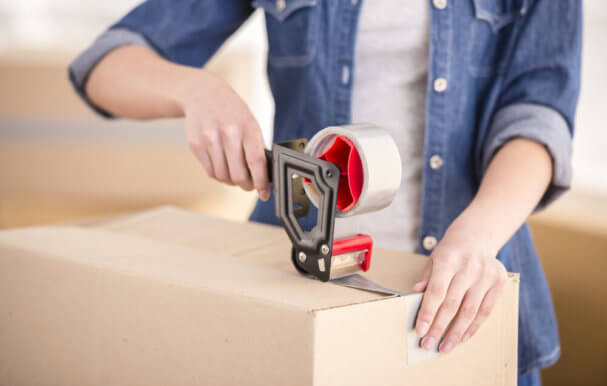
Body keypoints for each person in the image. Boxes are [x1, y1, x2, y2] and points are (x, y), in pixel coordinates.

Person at [69, 1, 581, 385]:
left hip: (461, 292)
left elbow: (539, 112)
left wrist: (475, 238)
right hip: (295, 292)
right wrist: (195, 89)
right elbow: (103, 64)